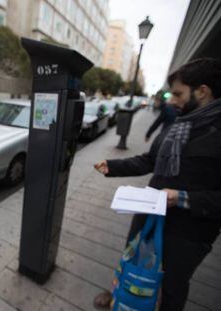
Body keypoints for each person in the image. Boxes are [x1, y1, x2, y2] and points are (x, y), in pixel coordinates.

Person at [93, 57, 221, 311]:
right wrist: (113, 166)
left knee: (172, 285)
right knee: (131, 259)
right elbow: (150, 160)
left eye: (177, 94)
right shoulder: (177, 124)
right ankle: (122, 293)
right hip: (149, 213)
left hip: (188, 232)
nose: (171, 101)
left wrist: (182, 198)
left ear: (202, 91)